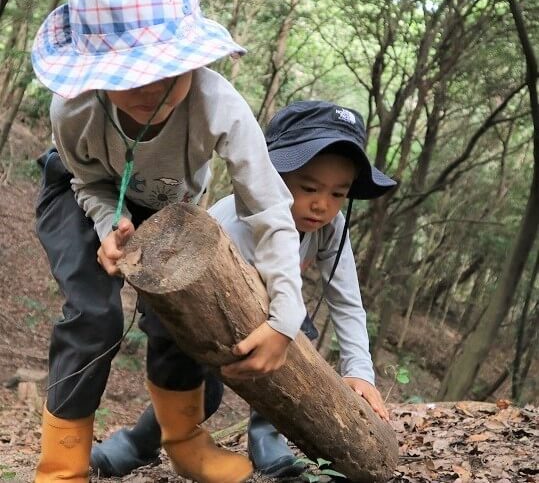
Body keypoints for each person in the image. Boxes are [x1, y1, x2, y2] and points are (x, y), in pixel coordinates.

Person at [30, 0, 308, 482]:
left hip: (167, 207)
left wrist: (285, 317)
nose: (148, 91)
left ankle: (185, 442)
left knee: (180, 317)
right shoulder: (74, 110)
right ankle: (61, 467)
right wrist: (107, 224)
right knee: (96, 316)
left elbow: (269, 206)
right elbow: (86, 180)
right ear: (94, 70)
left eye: (165, 74)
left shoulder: (219, 107)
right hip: (79, 194)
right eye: (128, 76)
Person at [90, 100, 397, 478]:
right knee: (198, 393)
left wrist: (360, 372)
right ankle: (139, 442)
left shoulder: (331, 229)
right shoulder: (237, 218)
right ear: (271, 175)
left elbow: (347, 300)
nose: (322, 205)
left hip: (272, 316)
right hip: (196, 309)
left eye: (338, 194)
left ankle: (266, 433)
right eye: (309, 187)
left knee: (292, 324)